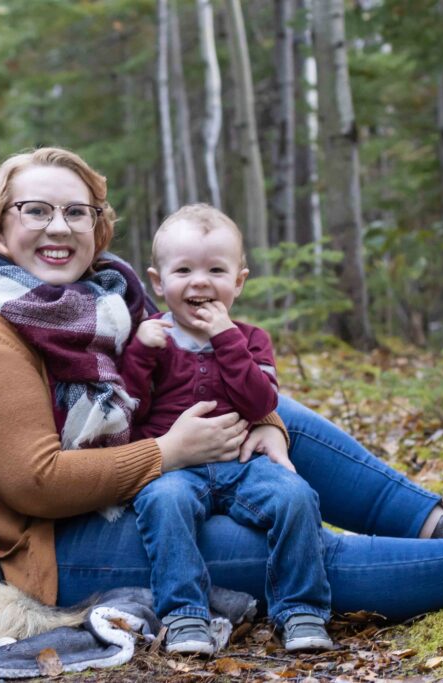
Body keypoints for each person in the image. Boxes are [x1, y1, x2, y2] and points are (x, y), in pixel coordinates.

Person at [0, 147, 443, 653]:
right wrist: (168, 454)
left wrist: (265, 420)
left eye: (76, 211)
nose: (59, 226)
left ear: (96, 225)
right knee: (297, 546)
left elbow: (198, 374)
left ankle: (438, 524)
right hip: (52, 544)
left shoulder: (103, 298)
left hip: (123, 490)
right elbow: (35, 484)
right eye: (35, 210)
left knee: (274, 414)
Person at [124, 204, 329, 654]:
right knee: (163, 501)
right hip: (175, 470)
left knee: (295, 495)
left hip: (242, 464)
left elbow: (261, 402)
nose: (199, 281)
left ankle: (301, 609)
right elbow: (130, 411)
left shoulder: (250, 339)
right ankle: (184, 615)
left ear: (238, 281)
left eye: (216, 269)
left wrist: (225, 340)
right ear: (159, 283)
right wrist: (138, 354)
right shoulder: (150, 338)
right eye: (184, 270)